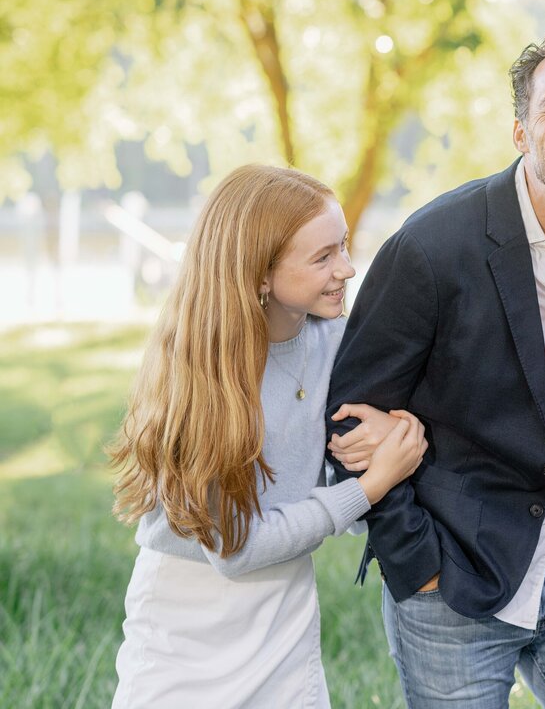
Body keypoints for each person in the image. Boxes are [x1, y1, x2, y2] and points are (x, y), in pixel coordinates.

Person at [325, 22, 545, 708]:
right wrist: (418, 564)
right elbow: (349, 418)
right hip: (454, 583)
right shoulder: (434, 245)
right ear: (521, 131)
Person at [108, 164, 428, 707]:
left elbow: (361, 444)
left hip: (284, 610)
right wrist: (366, 489)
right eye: (322, 257)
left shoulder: (336, 342)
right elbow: (237, 549)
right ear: (259, 274)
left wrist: (392, 431)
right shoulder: (199, 375)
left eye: (344, 247)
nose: (347, 270)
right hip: (186, 624)